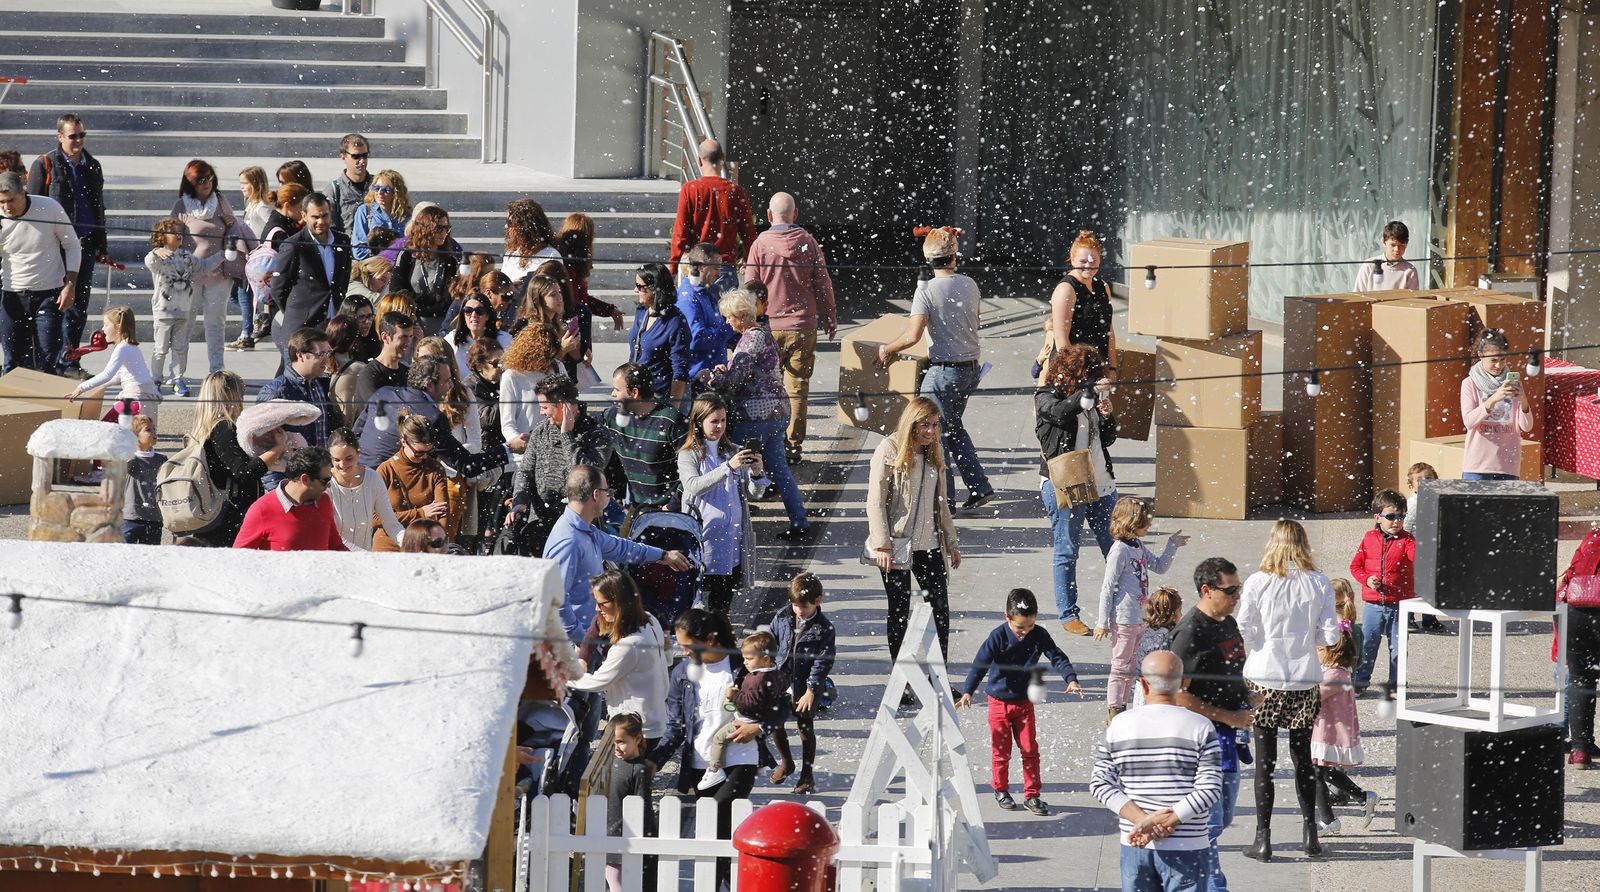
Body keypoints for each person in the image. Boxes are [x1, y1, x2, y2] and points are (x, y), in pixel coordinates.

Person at [1236, 519, 1341, 861]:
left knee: (1265, 762)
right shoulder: (1318, 583)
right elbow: (1330, 636)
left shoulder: (1258, 581)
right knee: (1303, 760)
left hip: (1264, 675)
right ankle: (1310, 834)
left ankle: (1263, 838)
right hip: (1303, 677)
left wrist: (1261, 641)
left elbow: (1244, 628)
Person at [878, 226, 994, 511]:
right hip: (969, 369)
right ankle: (979, 487)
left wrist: (887, 349)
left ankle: (945, 501)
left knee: (931, 436)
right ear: (955, 256)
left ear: (928, 259)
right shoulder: (970, 284)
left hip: (942, 372)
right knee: (953, 429)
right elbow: (973, 321)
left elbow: (912, 336)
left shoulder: (926, 291)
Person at [1091, 651, 1223, 891]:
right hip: (1188, 846)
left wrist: (1143, 822)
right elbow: (1211, 788)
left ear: (1142, 683)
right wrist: (1170, 819)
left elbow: (1100, 783)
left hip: (1135, 844)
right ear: (1184, 683)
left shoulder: (1119, 725)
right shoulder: (1201, 726)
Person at [648, 608, 760, 890]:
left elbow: (778, 707)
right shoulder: (682, 674)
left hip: (739, 759)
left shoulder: (742, 664)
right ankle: (732, 883)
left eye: (687, 646)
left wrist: (758, 728)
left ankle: (734, 884)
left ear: (710, 640)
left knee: (715, 815)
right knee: (718, 836)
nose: (683, 652)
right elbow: (675, 727)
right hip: (701, 765)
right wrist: (654, 761)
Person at [957, 588, 1083, 817]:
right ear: (1007, 617)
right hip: (998, 703)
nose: (1025, 632)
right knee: (1001, 751)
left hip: (1024, 703)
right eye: (1020, 627)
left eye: (1030, 626)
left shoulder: (1039, 635)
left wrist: (1071, 679)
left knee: (1029, 749)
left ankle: (1032, 795)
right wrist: (968, 691)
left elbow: (1057, 656)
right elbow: (980, 664)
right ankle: (1001, 789)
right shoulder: (998, 636)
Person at [1172, 556, 1257, 892]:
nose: (1237, 596)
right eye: (1231, 590)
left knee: (1220, 820)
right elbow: (1177, 696)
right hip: (1202, 744)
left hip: (1229, 740)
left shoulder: (1227, 623)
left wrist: (1248, 696)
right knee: (1207, 824)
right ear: (1207, 590)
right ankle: (1209, 885)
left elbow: (1231, 672)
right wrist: (1228, 716)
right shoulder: (1189, 633)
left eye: (1239, 589)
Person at [543, 465, 689, 643]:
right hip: (575, 647)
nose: (609, 497)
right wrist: (582, 641)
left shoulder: (586, 530)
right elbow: (555, 600)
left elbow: (622, 548)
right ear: (596, 495)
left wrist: (663, 556)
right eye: (608, 492)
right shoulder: (568, 541)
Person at [706, 289, 808, 536]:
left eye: (729, 317)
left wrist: (713, 378)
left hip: (754, 415)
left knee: (737, 468)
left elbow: (735, 380)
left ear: (741, 316)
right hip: (777, 412)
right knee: (779, 470)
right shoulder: (763, 333)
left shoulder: (749, 339)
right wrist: (728, 368)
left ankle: (736, 524)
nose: (727, 322)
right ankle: (800, 521)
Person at [866, 397, 960, 663]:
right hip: (897, 545)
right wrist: (882, 544)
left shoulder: (934, 451)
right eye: (925, 425)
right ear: (912, 423)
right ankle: (902, 677)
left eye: (935, 425)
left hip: (929, 545)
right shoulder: (890, 448)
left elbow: (940, 503)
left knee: (940, 610)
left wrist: (951, 542)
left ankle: (937, 677)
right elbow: (875, 501)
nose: (931, 431)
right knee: (899, 611)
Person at [745, 192, 836, 464]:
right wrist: (830, 315)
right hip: (802, 327)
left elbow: (750, 288)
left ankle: (769, 445)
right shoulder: (808, 242)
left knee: (766, 387)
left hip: (769, 327)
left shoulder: (760, 244)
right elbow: (823, 282)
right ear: (794, 214)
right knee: (797, 390)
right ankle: (793, 449)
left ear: (770, 216)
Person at [1035, 342, 1119, 635]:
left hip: (1101, 482)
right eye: (1090, 375)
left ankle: (1123, 607)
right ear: (1074, 374)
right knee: (1067, 550)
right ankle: (1068, 612)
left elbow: (1106, 440)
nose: (1095, 381)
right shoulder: (1046, 397)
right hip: (1066, 484)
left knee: (1117, 548)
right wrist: (1088, 394)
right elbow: (1059, 414)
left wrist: (1106, 416)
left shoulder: (1090, 399)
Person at [1095, 497, 1189, 722]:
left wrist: (1171, 545)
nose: (1149, 526)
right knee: (1120, 666)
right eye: (1145, 523)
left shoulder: (1137, 545)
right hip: (1124, 618)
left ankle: (1131, 707)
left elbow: (1159, 566)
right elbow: (1107, 587)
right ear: (1131, 523)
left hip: (1141, 618)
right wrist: (1102, 622)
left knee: (1136, 666)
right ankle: (1115, 712)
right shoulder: (1119, 551)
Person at [28, 113, 106, 378]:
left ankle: (69, 361)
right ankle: (47, 363)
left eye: (82, 135)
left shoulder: (92, 165)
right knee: (53, 305)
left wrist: (101, 243)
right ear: (60, 137)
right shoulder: (45, 164)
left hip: (84, 245)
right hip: (54, 248)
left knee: (78, 307)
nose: (79, 140)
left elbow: (98, 206)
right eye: (73, 136)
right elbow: (33, 208)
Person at [678, 394, 767, 617]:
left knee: (721, 605)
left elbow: (755, 493)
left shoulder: (733, 450)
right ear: (699, 422)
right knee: (695, 603)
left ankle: (718, 640)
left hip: (730, 541)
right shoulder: (688, 454)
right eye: (714, 421)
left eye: (723, 421)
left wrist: (757, 473)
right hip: (702, 538)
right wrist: (728, 467)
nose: (719, 426)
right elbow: (693, 486)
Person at [508, 374, 614, 549]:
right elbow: (525, 471)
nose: (542, 413)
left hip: (578, 523)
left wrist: (567, 436)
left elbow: (585, 477)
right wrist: (520, 500)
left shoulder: (597, 434)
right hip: (539, 522)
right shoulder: (541, 430)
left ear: (565, 406)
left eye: (545, 407)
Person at [568, 570, 671, 747]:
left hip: (637, 730)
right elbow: (668, 659)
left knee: (626, 774)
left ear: (620, 602)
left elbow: (597, 682)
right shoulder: (651, 620)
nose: (597, 609)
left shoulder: (629, 645)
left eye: (601, 604)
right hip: (654, 719)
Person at [171, 159, 248, 378]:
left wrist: (231, 228)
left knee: (216, 324)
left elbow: (232, 229)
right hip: (188, 276)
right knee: (184, 326)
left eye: (210, 178)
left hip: (219, 273)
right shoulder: (181, 206)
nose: (208, 183)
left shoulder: (221, 201)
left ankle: (217, 371)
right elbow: (168, 236)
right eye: (202, 180)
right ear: (191, 183)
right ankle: (178, 375)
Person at [189, 371, 284, 547]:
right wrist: (277, 449)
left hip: (213, 514)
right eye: (241, 390)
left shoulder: (203, 430)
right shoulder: (223, 428)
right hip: (229, 520)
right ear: (231, 394)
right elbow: (244, 473)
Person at [0, 169, 80, 375]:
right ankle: (13, 406)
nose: (7, 207)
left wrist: (70, 285)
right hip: (13, 294)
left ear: (23, 193)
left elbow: (72, 245)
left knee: (47, 358)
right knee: (13, 362)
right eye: (1, 202)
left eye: (11, 201)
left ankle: (48, 406)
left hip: (49, 294)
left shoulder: (49, 207)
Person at [1312, 597, 1379, 835]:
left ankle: (1328, 820)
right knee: (1322, 771)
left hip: (1327, 732)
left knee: (1316, 773)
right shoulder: (1338, 671)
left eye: (1319, 649)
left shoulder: (1333, 676)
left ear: (1331, 652)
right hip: (1325, 730)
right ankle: (1362, 797)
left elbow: (1312, 697)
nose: (1316, 652)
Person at [698, 630, 790, 791]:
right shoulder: (777, 674)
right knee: (759, 742)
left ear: (766, 659)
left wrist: (734, 695)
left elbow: (750, 703)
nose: (745, 663)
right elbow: (783, 690)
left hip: (747, 720)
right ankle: (763, 763)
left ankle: (714, 768)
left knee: (719, 738)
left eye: (749, 659)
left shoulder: (757, 679)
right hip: (762, 717)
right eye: (744, 659)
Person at [143, 216, 224, 397]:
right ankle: (156, 379)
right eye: (173, 232)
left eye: (180, 232)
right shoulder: (159, 257)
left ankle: (177, 379)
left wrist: (222, 255)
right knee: (161, 348)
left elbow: (204, 267)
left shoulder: (187, 256)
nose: (178, 235)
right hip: (163, 311)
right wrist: (156, 251)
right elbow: (148, 262)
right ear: (162, 236)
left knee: (180, 348)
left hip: (184, 309)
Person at [769, 572, 834, 794]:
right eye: (795, 605)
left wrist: (811, 690)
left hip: (805, 685)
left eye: (803, 607)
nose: (798, 610)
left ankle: (807, 775)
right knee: (774, 722)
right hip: (780, 680)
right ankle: (786, 762)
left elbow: (822, 663)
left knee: (805, 727)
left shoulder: (824, 628)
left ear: (817, 601)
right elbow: (771, 644)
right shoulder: (781, 617)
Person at [1350, 489, 1416, 697]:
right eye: (1390, 517)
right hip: (1373, 605)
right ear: (1377, 517)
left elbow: (1419, 559)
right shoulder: (1369, 538)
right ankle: (1360, 681)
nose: (1396, 521)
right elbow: (1356, 566)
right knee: (1368, 645)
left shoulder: (1407, 540)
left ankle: (1396, 684)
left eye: (1401, 516)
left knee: (1398, 647)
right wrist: (1367, 579)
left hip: (1400, 604)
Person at [604, 363, 689, 517]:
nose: (612, 394)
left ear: (634, 393)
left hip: (670, 512)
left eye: (617, 389)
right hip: (637, 509)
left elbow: (694, 467)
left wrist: (672, 506)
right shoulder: (613, 417)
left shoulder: (670, 421)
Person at [668, 139, 755, 287]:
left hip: (697, 267)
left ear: (700, 160)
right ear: (723, 159)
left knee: (694, 309)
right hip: (724, 266)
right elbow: (748, 234)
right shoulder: (735, 191)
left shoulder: (690, 189)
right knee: (725, 309)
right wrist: (750, 261)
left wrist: (674, 267)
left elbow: (680, 233)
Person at [271, 192, 352, 352]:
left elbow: (343, 279)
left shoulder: (342, 241)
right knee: (295, 375)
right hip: (301, 328)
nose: (321, 221)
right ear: (304, 215)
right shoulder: (293, 245)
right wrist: (299, 312)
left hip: (331, 326)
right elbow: (278, 288)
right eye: (315, 217)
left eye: (325, 216)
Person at [232, 446, 346, 551]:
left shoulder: (324, 501)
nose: (329, 485)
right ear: (305, 479)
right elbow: (239, 559)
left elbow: (336, 546)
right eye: (325, 481)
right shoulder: (262, 510)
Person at [1461, 327, 1535, 480]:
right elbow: (1468, 421)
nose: (1498, 365)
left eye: (1503, 359)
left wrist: (1524, 401)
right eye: (1493, 360)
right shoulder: (1470, 383)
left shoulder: (1511, 382)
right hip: (1477, 466)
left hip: (1507, 466)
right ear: (1480, 355)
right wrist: (1494, 399)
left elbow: (1526, 426)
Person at [1041, 230, 1116, 377]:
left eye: (1093, 261)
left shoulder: (1102, 286)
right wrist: (1076, 373)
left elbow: (1109, 331)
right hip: (1072, 370)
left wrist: (1112, 366)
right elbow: (1061, 337)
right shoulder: (1066, 290)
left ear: (1100, 260)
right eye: (1083, 261)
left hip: (1097, 366)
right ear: (1072, 260)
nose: (1089, 265)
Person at [372, 415, 452, 552]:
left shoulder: (435, 469)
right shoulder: (385, 470)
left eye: (429, 452)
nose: (424, 457)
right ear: (403, 442)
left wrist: (438, 543)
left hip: (425, 546)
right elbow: (374, 518)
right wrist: (421, 513)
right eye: (419, 453)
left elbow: (442, 514)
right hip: (388, 546)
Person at [69, 305, 159, 424]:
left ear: (118, 327)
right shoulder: (130, 346)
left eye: (106, 325)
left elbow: (108, 374)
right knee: (134, 438)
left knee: (109, 431)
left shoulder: (122, 348)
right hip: (143, 400)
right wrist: (93, 385)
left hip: (134, 400)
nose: (103, 329)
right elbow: (118, 377)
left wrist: (82, 388)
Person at [256, 327, 344, 447]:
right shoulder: (276, 392)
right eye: (320, 354)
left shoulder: (322, 384)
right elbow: (262, 439)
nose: (326, 359)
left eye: (327, 353)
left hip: (323, 462)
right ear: (301, 355)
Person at [326, 427, 403, 551]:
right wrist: (362, 555)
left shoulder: (373, 478)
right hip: (334, 559)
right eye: (337, 460)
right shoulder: (325, 483)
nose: (342, 465)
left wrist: (410, 543)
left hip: (364, 560)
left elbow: (391, 524)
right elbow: (331, 534)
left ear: (358, 452)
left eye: (348, 458)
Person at [1561, 525, 1600, 768]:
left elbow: (1572, 572)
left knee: (1580, 680)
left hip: (1578, 611)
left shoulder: (1592, 537)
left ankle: (1580, 749)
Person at [602, 712, 656, 892]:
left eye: (621, 741)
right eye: (613, 742)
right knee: (612, 879)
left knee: (621, 882)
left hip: (627, 836)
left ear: (637, 738)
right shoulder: (610, 762)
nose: (616, 747)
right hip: (608, 834)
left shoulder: (640, 770)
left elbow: (643, 807)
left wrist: (646, 840)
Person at [627, 262, 690, 404]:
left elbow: (679, 370)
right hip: (637, 395)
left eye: (639, 286)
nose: (635, 290)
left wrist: (672, 410)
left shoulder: (675, 321)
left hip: (660, 399)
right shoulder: (641, 312)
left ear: (654, 289)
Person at [498, 313, 561, 451]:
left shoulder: (557, 367)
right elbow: (507, 424)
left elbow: (570, 405)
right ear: (531, 353)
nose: (548, 362)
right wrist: (520, 442)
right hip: (524, 454)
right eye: (543, 356)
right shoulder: (512, 376)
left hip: (555, 448)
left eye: (552, 356)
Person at [677, 243, 738, 386]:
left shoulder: (707, 293)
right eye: (715, 267)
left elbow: (717, 331)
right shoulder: (688, 298)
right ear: (699, 266)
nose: (719, 273)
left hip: (711, 377)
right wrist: (730, 329)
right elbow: (696, 338)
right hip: (696, 381)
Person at [228, 165, 274, 350]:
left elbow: (272, 227)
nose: (241, 187)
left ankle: (246, 333)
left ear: (255, 184)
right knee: (236, 295)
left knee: (242, 293)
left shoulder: (262, 207)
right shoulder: (251, 205)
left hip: (257, 260)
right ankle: (258, 319)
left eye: (245, 183)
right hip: (248, 259)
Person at [391, 204, 460, 325]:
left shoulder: (450, 260)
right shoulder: (407, 256)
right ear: (425, 229)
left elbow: (448, 298)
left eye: (446, 228)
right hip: (410, 320)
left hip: (439, 322)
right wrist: (430, 301)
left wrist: (420, 302)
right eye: (439, 228)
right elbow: (397, 290)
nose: (444, 233)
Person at [556, 212, 625, 330]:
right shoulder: (566, 267)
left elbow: (582, 299)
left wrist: (609, 309)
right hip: (573, 330)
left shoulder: (569, 265)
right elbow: (578, 302)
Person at [1129, 586, 1183, 710]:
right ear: (1173, 614)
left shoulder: (1146, 630)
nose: (1181, 614)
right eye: (1180, 610)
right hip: (1160, 690)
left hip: (1142, 685)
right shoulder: (1171, 636)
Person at [354, 311, 417, 412]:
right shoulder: (369, 374)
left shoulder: (407, 372)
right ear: (385, 337)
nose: (408, 342)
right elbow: (379, 412)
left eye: (410, 336)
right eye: (403, 337)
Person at [446, 291, 510, 382]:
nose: (473, 315)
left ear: (487, 316)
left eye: (479, 311)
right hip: (463, 393)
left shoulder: (504, 339)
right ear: (463, 315)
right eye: (468, 311)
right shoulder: (452, 339)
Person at [122, 415, 166, 545]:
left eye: (154, 429)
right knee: (124, 555)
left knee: (150, 558)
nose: (153, 433)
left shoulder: (162, 460)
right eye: (148, 430)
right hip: (130, 518)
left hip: (154, 518)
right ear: (135, 436)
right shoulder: (129, 458)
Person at [351, 169, 411, 261]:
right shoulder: (365, 211)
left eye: (386, 189)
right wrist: (387, 256)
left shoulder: (407, 216)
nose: (379, 192)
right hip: (374, 269)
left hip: (399, 269)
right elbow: (358, 251)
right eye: (376, 188)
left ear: (396, 192)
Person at [502, 198, 561, 283]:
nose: (506, 226)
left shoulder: (550, 255)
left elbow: (553, 290)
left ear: (524, 226)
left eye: (510, 222)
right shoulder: (511, 254)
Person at [1351, 220, 1420, 292]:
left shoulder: (1410, 271)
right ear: (1384, 242)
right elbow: (1357, 295)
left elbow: (1412, 300)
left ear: (1407, 244)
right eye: (1393, 245)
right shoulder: (1368, 266)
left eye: (1401, 245)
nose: (1397, 249)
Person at [329, 134, 373, 234]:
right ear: (343, 157)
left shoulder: (378, 185)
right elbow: (330, 229)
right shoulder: (334, 190)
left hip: (377, 246)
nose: (362, 161)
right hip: (348, 246)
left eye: (365, 156)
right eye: (356, 156)